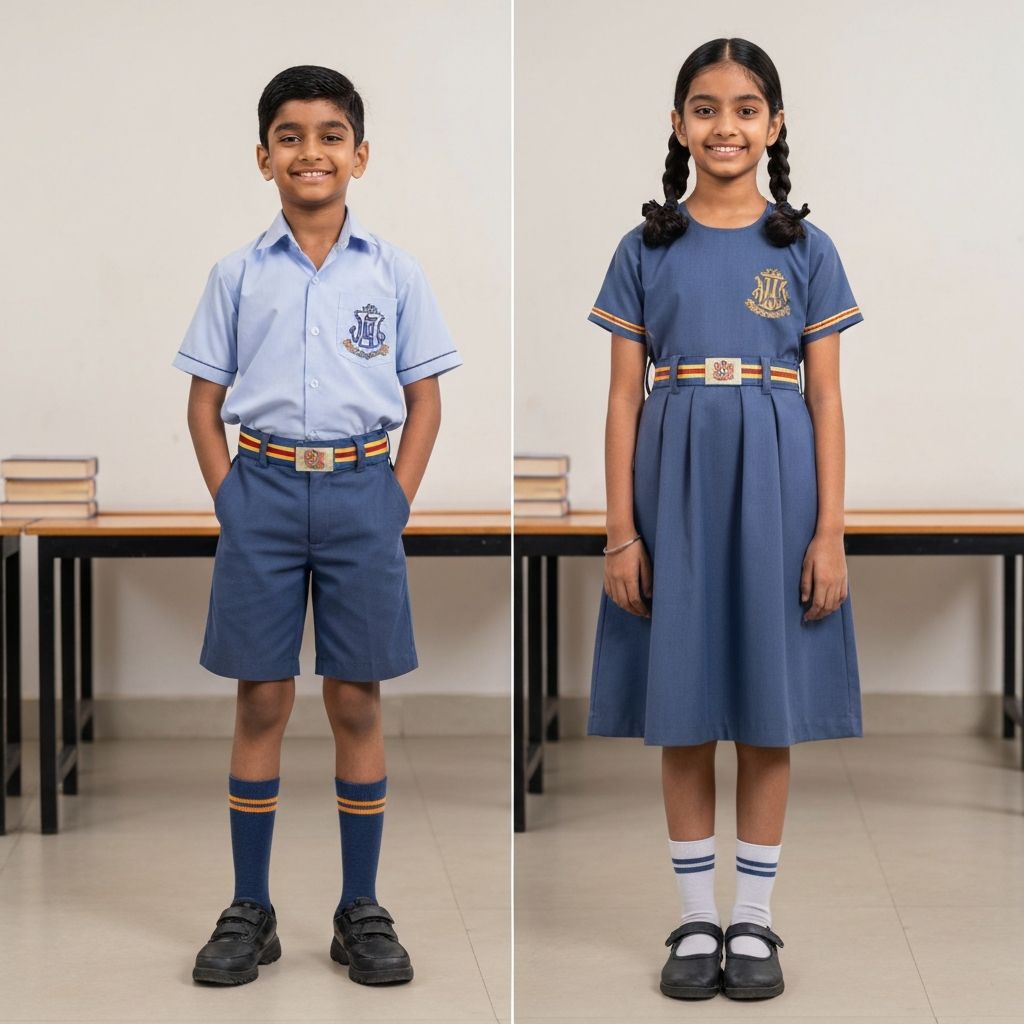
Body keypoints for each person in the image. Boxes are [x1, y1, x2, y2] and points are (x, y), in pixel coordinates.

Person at [172, 65, 461, 987]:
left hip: (359, 497)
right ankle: (249, 909)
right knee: (261, 697)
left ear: (360, 155)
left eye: (330, 135)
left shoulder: (395, 271)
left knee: (354, 699)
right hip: (260, 490)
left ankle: (359, 908)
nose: (311, 151)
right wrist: (233, 498)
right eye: (290, 136)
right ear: (264, 158)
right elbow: (202, 405)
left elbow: (425, 401)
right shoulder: (235, 273)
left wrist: (393, 499)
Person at [588, 38, 862, 1001]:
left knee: (765, 707)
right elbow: (624, 401)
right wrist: (622, 532)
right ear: (678, 125)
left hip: (779, 485)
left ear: (775, 126)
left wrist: (828, 532)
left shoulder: (806, 250)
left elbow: (826, 400)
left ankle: (754, 922)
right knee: (686, 708)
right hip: (675, 482)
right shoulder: (643, 250)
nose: (726, 126)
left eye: (747, 109)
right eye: (705, 109)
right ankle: (695, 916)